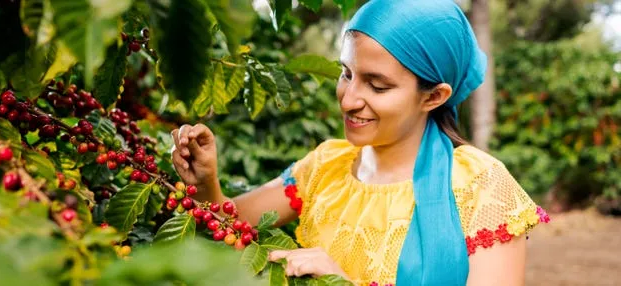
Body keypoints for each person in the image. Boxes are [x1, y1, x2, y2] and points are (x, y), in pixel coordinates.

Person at [171, 0, 549, 285]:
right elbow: (226, 227)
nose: (349, 99)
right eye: (346, 73)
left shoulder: (481, 188)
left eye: (377, 85)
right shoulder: (324, 166)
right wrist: (206, 181)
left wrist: (340, 281)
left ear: (433, 97)